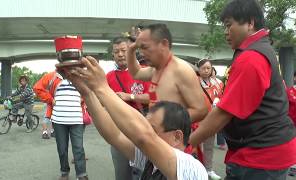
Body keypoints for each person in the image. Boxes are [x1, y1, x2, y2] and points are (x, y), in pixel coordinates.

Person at [189, 0, 296, 179]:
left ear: (250, 23)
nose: (225, 32)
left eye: (229, 25)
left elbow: (224, 113)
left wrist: (189, 142)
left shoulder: (251, 58)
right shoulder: (264, 49)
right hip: (270, 150)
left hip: (260, 156)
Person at [60, 56, 208, 180]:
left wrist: (102, 88)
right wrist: (87, 92)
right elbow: (115, 135)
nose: (146, 132)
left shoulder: (192, 168)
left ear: (177, 137)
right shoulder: (150, 160)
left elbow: (144, 137)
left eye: (153, 130)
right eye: (147, 126)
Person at [126, 23, 207, 122]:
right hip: (156, 134)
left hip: (172, 135)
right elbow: (136, 73)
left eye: (145, 47)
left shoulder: (181, 70)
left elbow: (201, 110)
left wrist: (165, 122)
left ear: (164, 44)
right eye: (140, 48)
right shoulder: (156, 69)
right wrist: (131, 49)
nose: (142, 53)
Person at [106, 36, 150, 180]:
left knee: (145, 171)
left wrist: (130, 96)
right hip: (119, 131)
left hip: (142, 129)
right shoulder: (108, 77)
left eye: (123, 50)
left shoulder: (144, 72)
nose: (120, 54)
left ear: (131, 51)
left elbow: (153, 97)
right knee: (122, 173)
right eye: (116, 51)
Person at [34, 70, 89, 180]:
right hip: (59, 121)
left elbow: (90, 90)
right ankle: (64, 172)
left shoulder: (79, 75)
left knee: (78, 148)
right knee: (62, 148)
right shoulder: (52, 76)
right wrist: (50, 99)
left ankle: (81, 174)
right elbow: (37, 88)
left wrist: (83, 98)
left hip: (76, 120)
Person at [197, 59, 222, 180]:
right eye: (203, 68)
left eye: (208, 68)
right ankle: (195, 169)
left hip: (211, 120)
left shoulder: (218, 83)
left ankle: (209, 169)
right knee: (195, 146)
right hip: (197, 120)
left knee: (209, 146)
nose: (206, 71)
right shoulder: (194, 83)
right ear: (199, 69)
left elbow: (222, 98)